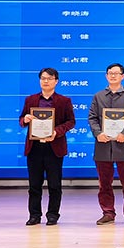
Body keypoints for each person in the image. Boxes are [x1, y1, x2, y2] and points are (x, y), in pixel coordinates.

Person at [87, 63, 124, 225]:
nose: (113, 76)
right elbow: (92, 118)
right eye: (110, 73)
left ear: (122, 76)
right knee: (104, 184)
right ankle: (108, 213)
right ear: (106, 76)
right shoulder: (98, 96)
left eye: (116, 73)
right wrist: (98, 133)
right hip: (103, 146)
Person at [20, 67, 76, 226]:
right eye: (43, 78)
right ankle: (34, 215)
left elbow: (71, 122)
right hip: (34, 147)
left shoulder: (64, 101)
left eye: (50, 79)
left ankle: (52, 215)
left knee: (54, 185)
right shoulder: (30, 100)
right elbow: (21, 120)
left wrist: (56, 132)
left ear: (56, 81)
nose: (46, 81)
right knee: (34, 185)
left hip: (54, 147)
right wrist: (25, 119)